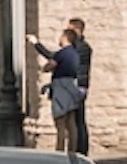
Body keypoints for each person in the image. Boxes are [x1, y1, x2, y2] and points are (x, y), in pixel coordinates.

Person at [35, 19, 92, 155]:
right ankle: (76, 151)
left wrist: (36, 44)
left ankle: (75, 150)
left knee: (68, 120)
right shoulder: (79, 48)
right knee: (73, 121)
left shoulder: (78, 48)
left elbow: (53, 58)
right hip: (76, 85)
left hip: (73, 86)